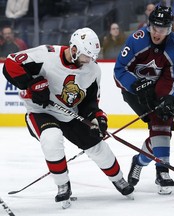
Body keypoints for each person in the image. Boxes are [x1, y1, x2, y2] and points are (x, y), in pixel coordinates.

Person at [2, 27, 134, 208]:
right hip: (40, 112)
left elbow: (90, 102)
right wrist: (31, 84)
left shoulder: (93, 70)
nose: (90, 60)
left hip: (69, 113)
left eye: (92, 57)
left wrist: (98, 118)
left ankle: (118, 179)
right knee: (51, 138)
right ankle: (63, 184)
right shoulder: (46, 55)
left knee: (97, 145)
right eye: (86, 56)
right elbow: (10, 63)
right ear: (74, 50)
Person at [113, 5, 174, 195]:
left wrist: (167, 98)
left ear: (169, 29)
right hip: (133, 91)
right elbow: (119, 70)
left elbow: (171, 79)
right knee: (160, 127)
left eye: (161, 29)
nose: (156, 33)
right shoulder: (136, 40)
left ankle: (158, 169)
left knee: (162, 124)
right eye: (154, 27)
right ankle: (149, 164)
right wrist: (135, 85)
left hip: (158, 90)